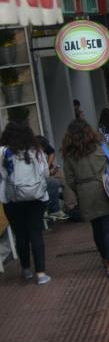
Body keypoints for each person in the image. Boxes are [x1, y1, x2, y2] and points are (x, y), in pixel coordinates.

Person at [61, 119, 109, 278]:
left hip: (85, 192)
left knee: (97, 229)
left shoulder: (70, 156)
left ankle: (105, 259)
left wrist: (79, 190)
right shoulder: (100, 146)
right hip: (105, 188)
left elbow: (70, 179)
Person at [0, 121, 51, 284]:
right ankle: (41, 274)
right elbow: (45, 173)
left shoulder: (3, 152)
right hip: (36, 197)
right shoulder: (36, 150)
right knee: (35, 232)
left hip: (12, 199)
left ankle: (26, 269)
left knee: (20, 234)